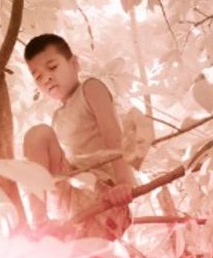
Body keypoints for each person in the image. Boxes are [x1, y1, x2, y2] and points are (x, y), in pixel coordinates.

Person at [21, 33, 144, 240]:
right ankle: (40, 223)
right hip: (74, 199)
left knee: (39, 134)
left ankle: (42, 225)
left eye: (52, 67)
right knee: (37, 136)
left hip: (107, 196)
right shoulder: (57, 117)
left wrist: (124, 184)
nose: (47, 78)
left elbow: (113, 135)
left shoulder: (91, 88)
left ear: (75, 64)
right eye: (38, 76)